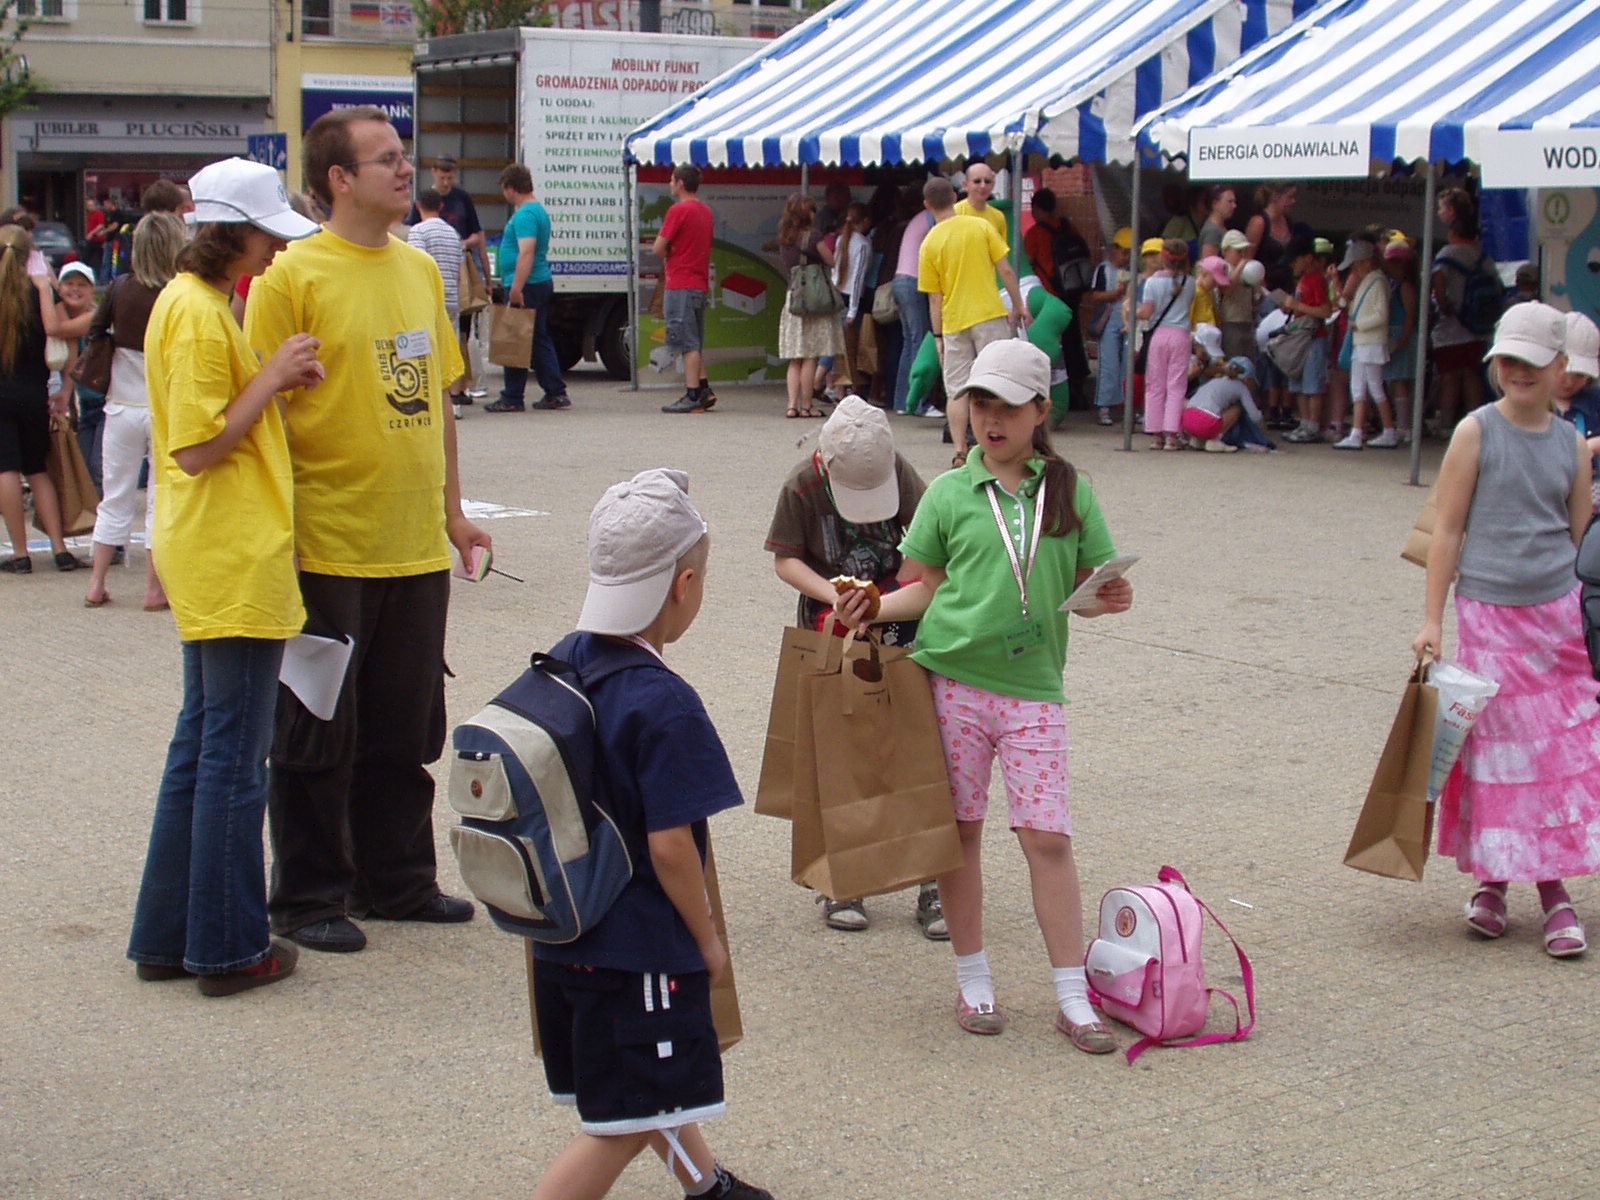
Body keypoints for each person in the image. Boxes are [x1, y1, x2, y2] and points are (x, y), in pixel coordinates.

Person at [835, 338, 1133, 1053]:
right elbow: (925, 587)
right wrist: (873, 606)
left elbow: (1087, 588)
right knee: (960, 833)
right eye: (980, 404)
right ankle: (973, 981)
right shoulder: (948, 492)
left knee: (1047, 839)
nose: (992, 420)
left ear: (1042, 411)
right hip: (953, 686)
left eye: (1009, 407)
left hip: (1034, 691)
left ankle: (1072, 995)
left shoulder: (1070, 489)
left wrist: (1107, 598)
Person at [247, 105, 490, 953]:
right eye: (385, 158)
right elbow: (264, 414)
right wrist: (277, 534)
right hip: (327, 543)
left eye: (403, 155)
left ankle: (398, 880)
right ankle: (310, 894)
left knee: (405, 728)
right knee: (317, 731)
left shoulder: (419, 267)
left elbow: (439, 402)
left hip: (412, 544)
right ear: (340, 179)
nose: (405, 168)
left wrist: (454, 512)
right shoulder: (290, 277)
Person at [530, 468, 772, 1200]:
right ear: (684, 585)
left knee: (647, 1088)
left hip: (567, 933)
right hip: (638, 951)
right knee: (623, 1124)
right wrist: (707, 940)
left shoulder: (564, 660)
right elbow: (671, 847)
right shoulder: (664, 701)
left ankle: (706, 1187)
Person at [125, 157, 325, 997]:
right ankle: (227, 947)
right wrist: (271, 377)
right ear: (233, 234)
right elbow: (198, 446)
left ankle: (170, 936)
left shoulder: (187, 303)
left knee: (203, 745)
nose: (277, 250)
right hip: (230, 548)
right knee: (234, 759)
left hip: (209, 545)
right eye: (268, 234)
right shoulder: (201, 314)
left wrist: (268, 382)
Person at [1412, 301, 1599, 961]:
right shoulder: (1475, 432)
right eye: (1509, 359)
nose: (1520, 371)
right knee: (1497, 755)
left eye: (1534, 361)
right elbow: (1447, 530)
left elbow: (1580, 536)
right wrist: (1433, 618)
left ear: (1560, 367)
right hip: (1489, 616)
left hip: (1558, 620)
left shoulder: (1570, 442)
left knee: (1551, 759)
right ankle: (1493, 880)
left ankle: (1552, 889)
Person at [763, 396, 943, 936]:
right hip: (828, 624)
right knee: (838, 752)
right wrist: (834, 596)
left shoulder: (900, 472)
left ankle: (932, 878)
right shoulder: (801, 485)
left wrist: (887, 598)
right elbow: (786, 559)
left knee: (916, 742)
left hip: (898, 616)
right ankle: (843, 877)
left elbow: (928, 548)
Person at [81, 211, 186, 609]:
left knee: (115, 495)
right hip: (163, 407)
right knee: (160, 498)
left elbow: (95, 330)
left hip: (121, 404)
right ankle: (154, 589)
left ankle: (96, 583)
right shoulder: (180, 292)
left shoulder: (121, 287)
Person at [918, 176, 1027, 468]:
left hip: (954, 321)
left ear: (927, 205)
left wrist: (937, 336)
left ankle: (959, 449)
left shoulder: (929, 243)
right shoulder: (981, 226)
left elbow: (934, 298)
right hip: (988, 313)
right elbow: (1005, 269)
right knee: (996, 380)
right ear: (956, 197)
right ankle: (998, 442)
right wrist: (1018, 305)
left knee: (956, 389)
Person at [0, 224, 83, 575]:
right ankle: (60, 548)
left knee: (6, 469)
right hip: (36, 393)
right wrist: (65, 388)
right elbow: (66, 335)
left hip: (1, 392)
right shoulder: (41, 292)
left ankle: (20, 554)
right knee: (38, 469)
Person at [405, 154, 488, 401]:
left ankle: (453, 392)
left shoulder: (462, 199)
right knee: (450, 341)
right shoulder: (447, 230)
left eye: (449, 178)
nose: (445, 182)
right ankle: (453, 393)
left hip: (454, 277)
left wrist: (483, 275)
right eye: (442, 177)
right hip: (452, 279)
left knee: (454, 338)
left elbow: (478, 236)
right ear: (434, 173)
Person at [488, 164, 570, 413]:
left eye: (504, 189)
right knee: (537, 339)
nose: (504, 194)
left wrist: (516, 287)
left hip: (527, 284)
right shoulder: (538, 211)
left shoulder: (525, 214)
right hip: (537, 281)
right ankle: (555, 392)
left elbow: (527, 252)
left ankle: (512, 397)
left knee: (515, 338)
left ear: (511, 187)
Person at [656, 165, 718, 415]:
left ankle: (692, 394)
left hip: (680, 281)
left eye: (672, 180)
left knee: (686, 342)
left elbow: (659, 247)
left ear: (680, 183)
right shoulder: (706, 211)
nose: (670, 184)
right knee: (695, 340)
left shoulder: (678, 210)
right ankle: (704, 388)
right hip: (698, 283)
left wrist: (669, 251)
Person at [1430, 188, 1491, 432]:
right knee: (1472, 374)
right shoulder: (1481, 253)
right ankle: (1477, 423)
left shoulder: (1448, 253)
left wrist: (1442, 302)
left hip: (1453, 324)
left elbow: (1438, 278)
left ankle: (1447, 424)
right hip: (1478, 325)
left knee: (1450, 377)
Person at [776, 192, 841, 419]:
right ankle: (806, 406)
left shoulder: (785, 237)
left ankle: (791, 406)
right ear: (807, 214)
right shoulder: (813, 236)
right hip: (813, 300)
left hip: (793, 297)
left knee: (796, 357)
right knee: (810, 355)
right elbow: (830, 260)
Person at [1332, 239, 1400, 450]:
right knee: (1359, 388)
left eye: (1357, 264)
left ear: (1367, 262)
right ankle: (1357, 432)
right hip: (1364, 342)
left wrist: (1358, 324)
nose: (1355, 269)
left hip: (1370, 342)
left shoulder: (1377, 282)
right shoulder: (1370, 281)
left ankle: (1387, 431)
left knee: (1374, 387)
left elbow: (1381, 315)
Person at [406, 187, 466, 416]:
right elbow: (460, 269)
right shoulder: (453, 233)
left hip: (429, 299)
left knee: (424, 349)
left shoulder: (418, 231)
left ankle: (427, 398)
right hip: (451, 297)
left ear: (418, 205)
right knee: (451, 349)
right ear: (441, 206)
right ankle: (455, 402)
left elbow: (416, 265)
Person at [1136, 239, 1195, 451]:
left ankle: (1155, 434)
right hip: (1180, 336)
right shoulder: (1190, 282)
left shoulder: (1152, 282)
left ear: (1163, 257)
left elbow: (1147, 313)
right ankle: (1172, 435)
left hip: (1159, 336)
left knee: (1155, 385)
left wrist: (1131, 310)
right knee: (1176, 386)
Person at [54, 262, 106, 488]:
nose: (75, 289)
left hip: (107, 404)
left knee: (98, 467)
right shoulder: (66, 322)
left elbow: (58, 329)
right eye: (69, 283)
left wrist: (49, 292)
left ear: (92, 291)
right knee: (85, 467)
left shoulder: (94, 318)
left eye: (82, 285)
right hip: (86, 406)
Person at [1280, 234, 1334, 444]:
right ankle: (1304, 423)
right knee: (1298, 384)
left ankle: (1312, 425)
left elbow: (1325, 311)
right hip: (1301, 337)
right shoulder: (1303, 279)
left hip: (1314, 337)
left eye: (1295, 260)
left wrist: (1297, 306)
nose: (1292, 265)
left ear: (1308, 258)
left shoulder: (1317, 279)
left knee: (1312, 386)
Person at [890, 185, 936, 416]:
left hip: (900, 280)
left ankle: (902, 401)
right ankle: (919, 403)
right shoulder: (934, 219)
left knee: (909, 343)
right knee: (920, 342)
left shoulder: (919, 219)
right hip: (914, 281)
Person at [1556, 311, 1600, 512]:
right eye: (1564, 372)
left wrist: (1594, 445)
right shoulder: (1534, 403)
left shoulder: (1595, 398)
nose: (1569, 382)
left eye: (1580, 375)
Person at [1088, 227, 1131, 426]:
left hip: (1128, 321)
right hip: (1109, 321)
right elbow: (1095, 295)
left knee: (1127, 366)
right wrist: (1114, 294)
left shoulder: (1132, 271)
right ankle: (1104, 406)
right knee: (1109, 365)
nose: (1126, 257)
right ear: (1114, 249)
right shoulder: (1103, 270)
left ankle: (1126, 404)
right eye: (1124, 252)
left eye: (1130, 253)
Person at [1182, 357, 1271, 453]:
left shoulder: (1215, 381)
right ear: (1247, 378)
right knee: (1236, 409)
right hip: (1206, 423)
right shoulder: (1241, 387)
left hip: (1187, 420)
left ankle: (1197, 440)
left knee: (1212, 409)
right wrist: (1263, 427)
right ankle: (1215, 440)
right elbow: (1254, 416)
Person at [1380, 238, 1420, 440]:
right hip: (1396, 335)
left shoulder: (1405, 286)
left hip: (1402, 335)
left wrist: (1403, 339)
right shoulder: (1394, 284)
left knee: (1399, 381)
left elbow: (1410, 315)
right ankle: (1405, 423)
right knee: (1397, 381)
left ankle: (1404, 425)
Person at [953, 162, 1005, 242]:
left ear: (993, 185)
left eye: (987, 181)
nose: (983, 186)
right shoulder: (954, 213)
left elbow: (1001, 248)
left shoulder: (998, 217)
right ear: (965, 185)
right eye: (977, 181)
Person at [1198, 185, 1236, 260]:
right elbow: (1209, 263)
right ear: (1215, 204)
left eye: (1234, 201)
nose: (1234, 206)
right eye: (1230, 201)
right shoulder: (1212, 231)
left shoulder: (1219, 228)